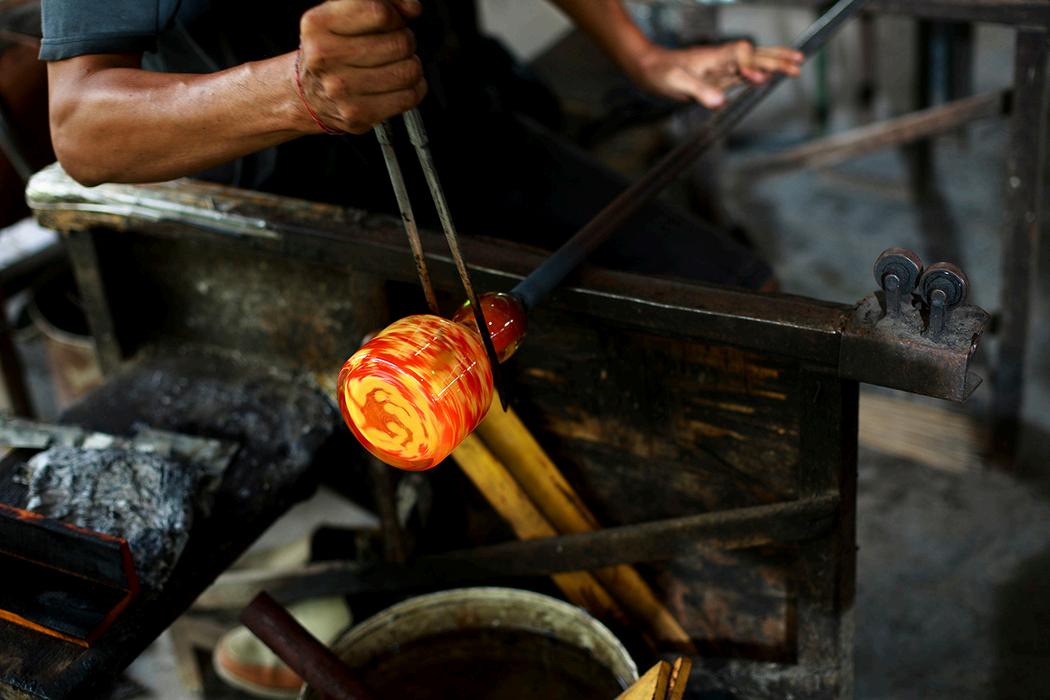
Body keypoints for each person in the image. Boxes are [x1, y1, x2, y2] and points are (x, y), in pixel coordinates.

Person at [40, 0, 802, 289]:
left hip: (471, 129)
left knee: (745, 304)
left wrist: (643, 56)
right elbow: (82, 129)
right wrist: (297, 91)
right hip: (302, 220)